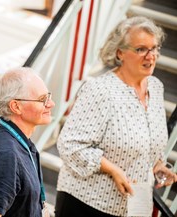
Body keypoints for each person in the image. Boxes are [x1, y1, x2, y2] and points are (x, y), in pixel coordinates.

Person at [55, 16, 177, 217]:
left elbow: (145, 137)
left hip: (134, 207)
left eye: (154, 48)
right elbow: (69, 145)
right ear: (120, 53)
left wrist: (156, 164)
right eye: (141, 49)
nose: (151, 56)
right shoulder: (100, 90)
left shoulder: (155, 87)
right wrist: (112, 169)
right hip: (87, 204)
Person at [0, 67, 55, 217]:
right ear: (16, 106)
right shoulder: (5, 156)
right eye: (42, 100)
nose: (51, 104)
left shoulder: (11, 135)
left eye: (48, 96)